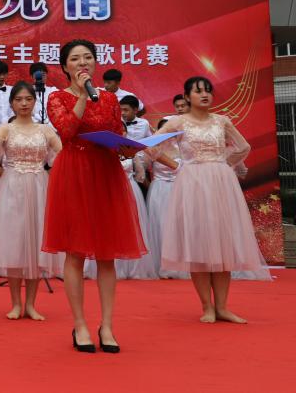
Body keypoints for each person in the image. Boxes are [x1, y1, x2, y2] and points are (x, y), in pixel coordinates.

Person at [43, 40, 146, 354]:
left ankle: (107, 325)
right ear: (65, 66)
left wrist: (126, 149)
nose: (82, 63)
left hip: (105, 173)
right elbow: (66, 131)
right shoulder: (57, 97)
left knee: (106, 253)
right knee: (75, 253)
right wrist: (83, 97)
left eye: (88, 57)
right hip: (74, 173)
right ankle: (80, 325)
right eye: (75, 59)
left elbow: (117, 134)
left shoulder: (110, 98)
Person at [152, 76, 270, 323]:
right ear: (187, 97)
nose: (204, 95)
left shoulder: (222, 121)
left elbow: (243, 147)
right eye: (198, 91)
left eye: (208, 91)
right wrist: (179, 165)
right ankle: (207, 306)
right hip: (192, 184)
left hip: (221, 184)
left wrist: (223, 165)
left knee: (222, 243)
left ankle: (222, 307)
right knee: (198, 243)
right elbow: (152, 147)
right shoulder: (177, 122)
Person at [0, 82, 63, 321]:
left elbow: (63, 157)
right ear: (12, 103)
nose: (24, 103)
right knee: (14, 243)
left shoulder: (45, 130)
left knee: (36, 245)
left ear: (35, 101)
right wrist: (5, 173)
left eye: (28, 99)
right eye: (19, 99)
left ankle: (31, 305)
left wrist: (49, 175)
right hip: (12, 188)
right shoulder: (6, 129)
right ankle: (15, 304)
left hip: (39, 188)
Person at [114, 95, 157, 280]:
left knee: (133, 225)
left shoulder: (133, 148)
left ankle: (135, 266)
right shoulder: (106, 151)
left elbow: (141, 173)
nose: (122, 133)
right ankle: (114, 266)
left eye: (123, 130)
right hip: (112, 191)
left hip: (131, 189)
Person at [136, 118, 184, 279]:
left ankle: (182, 266)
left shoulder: (183, 147)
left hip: (180, 190)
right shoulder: (153, 149)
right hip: (160, 191)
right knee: (162, 226)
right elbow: (141, 171)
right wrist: (150, 185)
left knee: (181, 227)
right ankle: (164, 265)